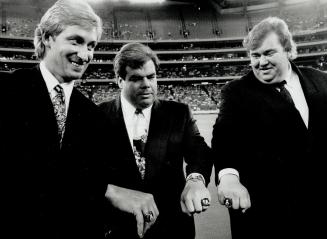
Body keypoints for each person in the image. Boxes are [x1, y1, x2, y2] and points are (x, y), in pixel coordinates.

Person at [212, 16, 327, 239]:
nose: (261, 62)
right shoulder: (236, 93)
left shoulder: (322, 82)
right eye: (255, 56)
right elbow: (224, 138)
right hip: (268, 218)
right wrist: (228, 178)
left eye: (268, 53)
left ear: (288, 50)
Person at [0, 0, 106, 238]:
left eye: (92, 45)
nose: (85, 54)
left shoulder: (94, 116)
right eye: (76, 40)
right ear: (47, 38)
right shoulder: (6, 91)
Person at [100, 42, 212, 239]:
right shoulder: (97, 116)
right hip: (117, 230)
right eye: (136, 78)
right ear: (119, 80)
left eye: (151, 77)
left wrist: (195, 180)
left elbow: (199, 151)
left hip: (172, 228)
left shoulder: (179, 113)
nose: (146, 84)